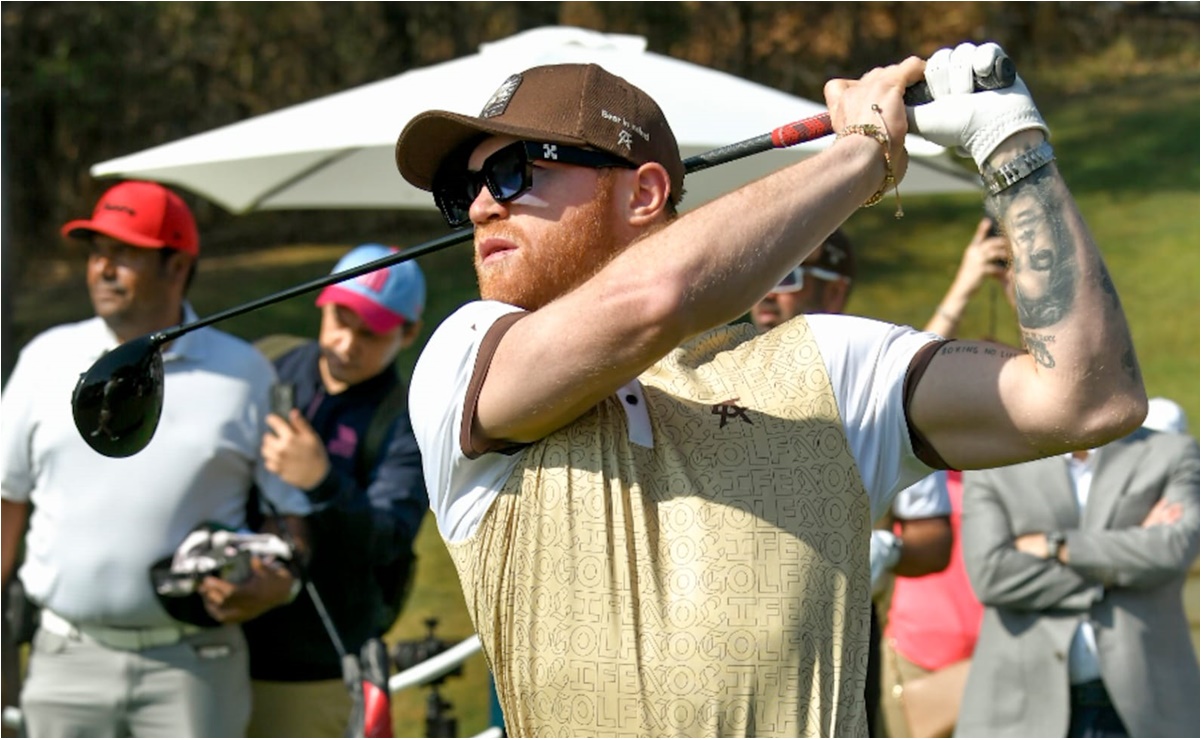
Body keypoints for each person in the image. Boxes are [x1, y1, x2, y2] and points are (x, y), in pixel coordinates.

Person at [392, 41, 1147, 736]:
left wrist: (1012, 148)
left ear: (644, 193)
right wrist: (864, 156)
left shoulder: (829, 360)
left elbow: (1085, 398)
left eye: (514, 171)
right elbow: (653, 300)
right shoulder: (462, 355)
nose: (484, 205)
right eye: (466, 191)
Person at [0, 180, 311, 737]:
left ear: (176, 266)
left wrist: (274, 584)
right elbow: (6, 506)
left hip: (195, 667)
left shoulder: (244, 375)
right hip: (64, 661)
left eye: (124, 253)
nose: (102, 269)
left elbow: (287, 520)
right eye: (97, 253)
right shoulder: (43, 359)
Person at [749, 231, 953, 737]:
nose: (767, 292)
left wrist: (881, 550)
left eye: (787, 277)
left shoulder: (876, 392)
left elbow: (934, 543)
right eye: (759, 277)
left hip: (842, 633)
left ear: (835, 290)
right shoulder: (721, 371)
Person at [243, 243, 430, 737]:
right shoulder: (269, 362)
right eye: (341, 320)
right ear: (322, 305)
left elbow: (389, 539)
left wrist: (322, 483)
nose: (347, 344)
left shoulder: (408, 420)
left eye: (370, 333)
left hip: (314, 664)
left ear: (408, 333)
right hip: (220, 640)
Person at [956, 406, 1200, 737]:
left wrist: (1056, 547)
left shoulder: (1172, 452)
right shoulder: (995, 461)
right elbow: (991, 575)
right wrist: (1126, 558)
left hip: (1144, 711)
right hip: (1023, 711)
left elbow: (1174, 550)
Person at [877, 219, 1008, 738]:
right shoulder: (918, 461)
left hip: (1008, 660)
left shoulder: (1020, 470)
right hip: (918, 661)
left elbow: (1061, 395)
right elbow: (903, 382)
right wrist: (965, 283)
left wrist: (1020, 296)